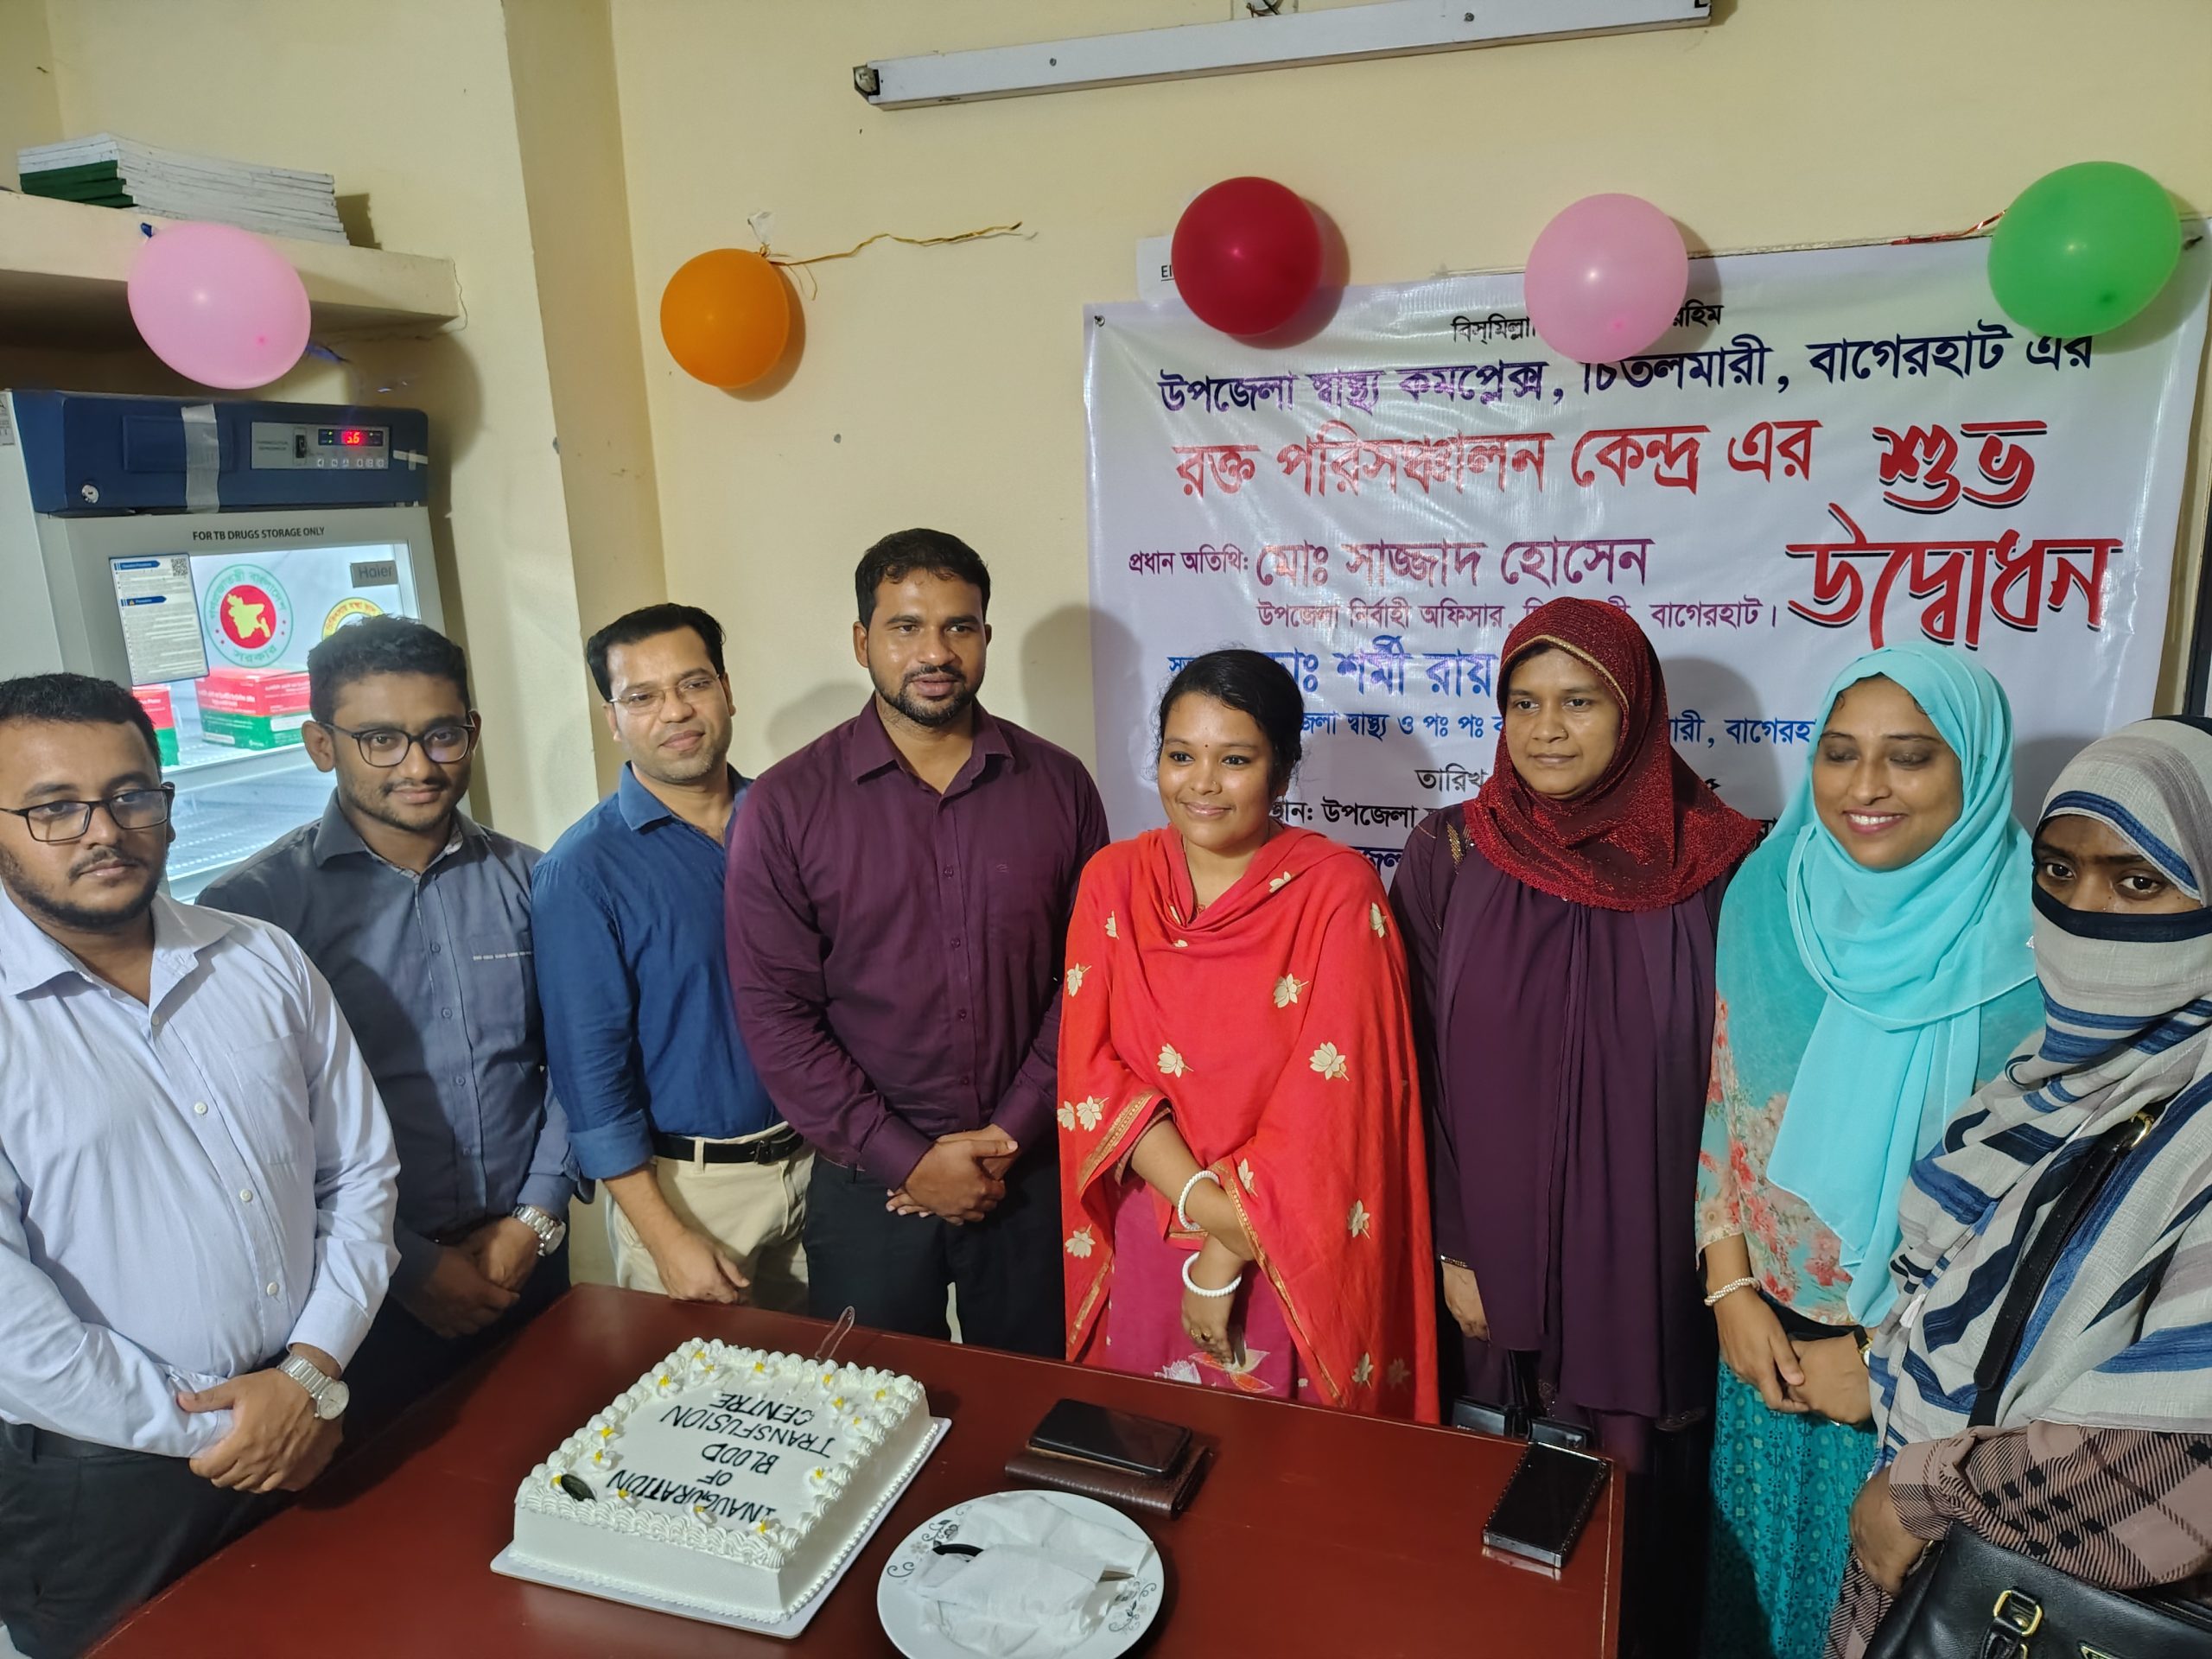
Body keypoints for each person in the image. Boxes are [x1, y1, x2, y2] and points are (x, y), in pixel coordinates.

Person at [0, 674, 397, 1659]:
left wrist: (307, 1377)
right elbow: (12, 1328)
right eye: (54, 808)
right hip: (109, 1486)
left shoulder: (261, 959)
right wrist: (228, 1429)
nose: (105, 830)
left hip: (318, 1405)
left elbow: (359, 1176)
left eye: (131, 794)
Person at [1390, 597, 1761, 1651]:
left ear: (1635, 711)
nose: (1545, 729)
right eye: (1523, 703)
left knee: (1635, 1538)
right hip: (1489, 1257)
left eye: (1579, 702)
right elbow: (1413, 1065)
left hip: (1650, 1265)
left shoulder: (1721, 866)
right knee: (1494, 1519)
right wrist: (1453, 1247)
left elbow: (1748, 1086)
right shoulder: (1451, 851)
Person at [1808, 718, 2212, 1658]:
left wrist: (1923, 1496)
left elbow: (2182, 1464)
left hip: (2052, 1606)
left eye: (2139, 882)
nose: (2082, 911)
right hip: (1952, 1573)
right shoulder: (2062, 1074)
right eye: (2059, 871)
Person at [1695, 645, 2044, 1659]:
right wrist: (1728, 1287)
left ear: (1974, 767)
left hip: (1937, 1390)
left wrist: (1881, 1366)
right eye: (1840, 753)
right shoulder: (1770, 893)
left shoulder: (2042, 942)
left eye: (1910, 757)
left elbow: (2035, 1214)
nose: (1865, 786)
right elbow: (1724, 1101)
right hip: (1765, 1353)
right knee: (1758, 1607)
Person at [728, 529, 1108, 1356]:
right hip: (869, 1183)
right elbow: (776, 1013)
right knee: (870, 1409)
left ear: (985, 636)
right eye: (905, 627)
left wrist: (1009, 1134)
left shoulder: (1059, 785)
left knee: (1042, 1404)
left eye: (958, 627)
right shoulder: (787, 805)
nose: (935, 653)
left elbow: (1088, 982)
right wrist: (907, 1160)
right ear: (862, 640)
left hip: (1029, 1173)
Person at [202, 618, 575, 1436]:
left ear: (472, 731)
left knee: (558, 1458)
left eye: (441, 735)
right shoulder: (252, 916)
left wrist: (536, 1219)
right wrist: (405, 1264)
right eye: (380, 740)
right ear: (321, 746)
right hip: (355, 1300)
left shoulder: (538, 880)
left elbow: (577, 1063)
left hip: (528, 1260)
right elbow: (258, 1130)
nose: (418, 765)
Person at [1058, 651, 1438, 1415]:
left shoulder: (1337, 892)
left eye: (1234, 760)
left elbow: (1333, 1107)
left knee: (1277, 1461)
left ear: (1284, 772)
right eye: (1180, 756)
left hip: (1291, 1244)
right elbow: (1092, 1071)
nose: (1201, 783)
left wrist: (1225, 1251)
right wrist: (1208, 1208)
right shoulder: (1114, 881)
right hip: (1150, 1219)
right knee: (1147, 1442)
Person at [532, 604, 806, 1311]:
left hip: (823, 1171)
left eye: (694, 684)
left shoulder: (793, 821)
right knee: (706, 1382)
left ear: (727, 690)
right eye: (642, 697)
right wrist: (664, 1236)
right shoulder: (582, 871)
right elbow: (590, 1076)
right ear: (613, 719)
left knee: (841, 1375)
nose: (676, 711)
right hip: (691, 1194)